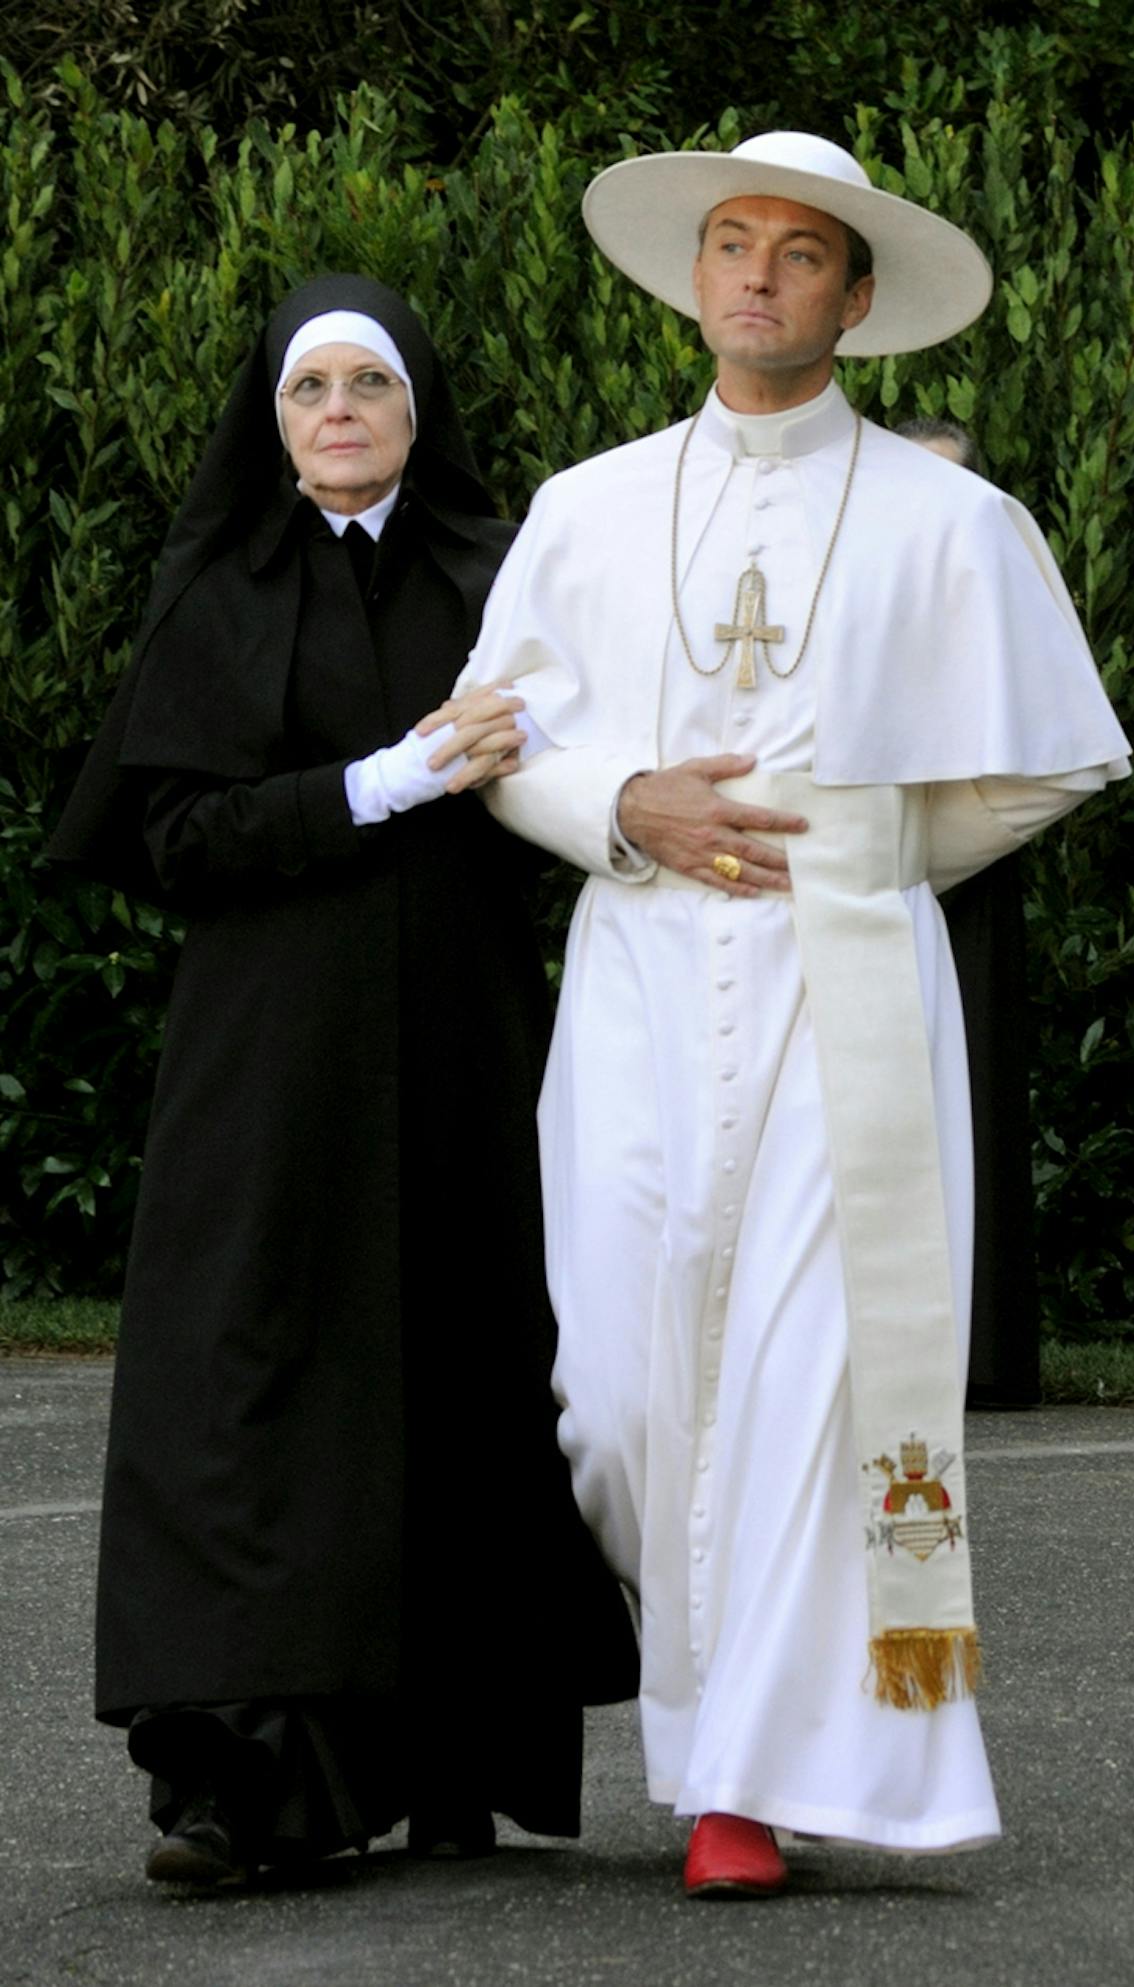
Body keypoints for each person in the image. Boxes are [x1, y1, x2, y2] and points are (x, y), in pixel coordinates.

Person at [459, 130, 1130, 1896]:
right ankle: (718, 1725)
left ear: (855, 296)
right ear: (697, 274)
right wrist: (628, 809)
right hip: (640, 972)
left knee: (811, 1391)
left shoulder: (953, 520)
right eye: (733, 244)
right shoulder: (585, 508)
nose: (759, 275)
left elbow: (1053, 757)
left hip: (851, 993)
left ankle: (743, 1782)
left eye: (800, 253)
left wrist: (876, 839)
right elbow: (498, 740)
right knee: (614, 1391)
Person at [48, 274, 638, 1887]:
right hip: (268, 1051)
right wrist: (376, 783)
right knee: (250, 1382)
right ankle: (238, 1783)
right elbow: (173, 838)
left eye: (367, 386)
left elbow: (583, 773)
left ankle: (450, 1757)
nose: (338, 413)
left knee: (468, 1360)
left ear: (415, 410)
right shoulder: (217, 590)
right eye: (310, 388)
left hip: (467, 1036)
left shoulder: (500, 579)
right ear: (274, 417)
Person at [894, 415, 1042, 1411]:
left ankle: (983, 1354)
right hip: (868, 877)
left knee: (974, 1101)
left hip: (968, 873)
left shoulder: (994, 586)